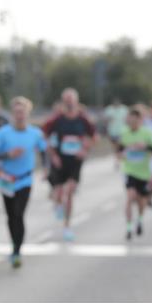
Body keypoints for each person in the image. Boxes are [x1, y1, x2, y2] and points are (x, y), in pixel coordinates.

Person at [0, 97, 48, 268]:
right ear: (12, 114)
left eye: (22, 112)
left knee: (18, 213)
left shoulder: (35, 133)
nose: (19, 115)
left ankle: (16, 251)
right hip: (7, 180)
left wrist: (46, 168)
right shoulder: (3, 133)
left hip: (25, 180)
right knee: (10, 216)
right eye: (16, 112)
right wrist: (8, 155)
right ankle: (14, 244)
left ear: (27, 113)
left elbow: (44, 151)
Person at [42, 88, 95, 241]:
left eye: (71, 100)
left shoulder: (83, 119)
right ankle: (58, 204)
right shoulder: (56, 119)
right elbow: (44, 136)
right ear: (63, 102)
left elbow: (93, 136)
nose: (69, 103)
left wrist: (85, 149)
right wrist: (52, 155)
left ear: (76, 101)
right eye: (67, 101)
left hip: (75, 161)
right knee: (59, 191)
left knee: (70, 191)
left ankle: (67, 227)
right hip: (59, 160)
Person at [117, 106, 152, 240]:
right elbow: (119, 150)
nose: (132, 123)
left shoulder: (147, 133)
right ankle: (129, 227)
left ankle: (140, 219)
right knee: (130, 197)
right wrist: (120, 155)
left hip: (144, 172)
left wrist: (146, 146)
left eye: (135, 121)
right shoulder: (124, 133)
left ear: (140, 121)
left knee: (141, 200)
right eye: (130, 120)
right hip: (129, 170)